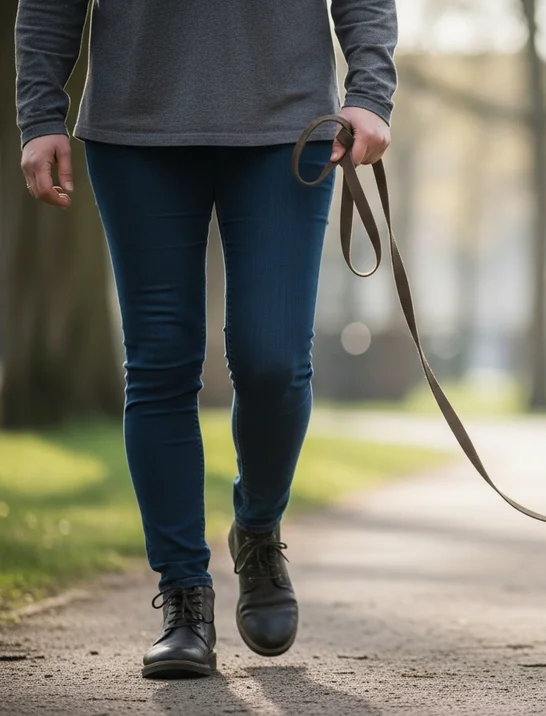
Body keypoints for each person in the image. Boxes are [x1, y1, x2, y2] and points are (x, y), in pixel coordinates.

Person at [15, 0, 397, 679]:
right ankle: (184, 597)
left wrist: (370, 92)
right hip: (135, 126)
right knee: (160, 363)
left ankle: (256, 531)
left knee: (272, 359)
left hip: (289, 122)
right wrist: (39, 113)